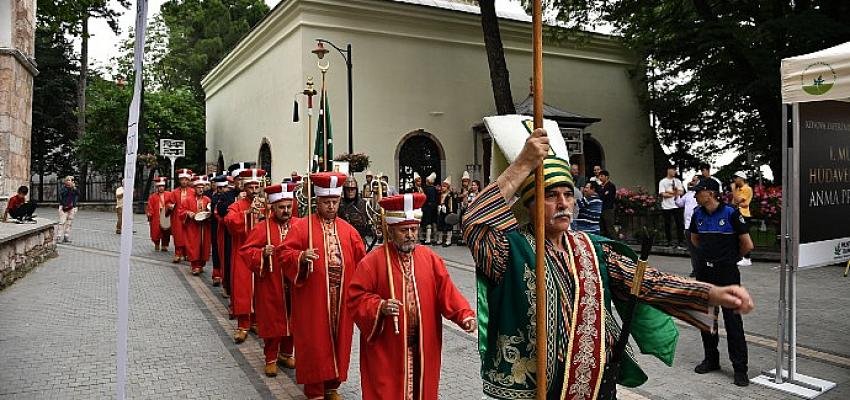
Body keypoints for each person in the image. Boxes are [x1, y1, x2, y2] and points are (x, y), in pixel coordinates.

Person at [463, 127, 754, 399]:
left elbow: (647, 282)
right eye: (550, 195)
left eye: (568, 195)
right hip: (535, 390)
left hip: (596, 387)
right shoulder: (507, 250)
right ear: (529, 205)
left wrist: (711, 293)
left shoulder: (592, 248)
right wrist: (523, 164)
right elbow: (474, 221)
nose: (564, 203)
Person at [347, 192, 476, 399]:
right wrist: (379, 306)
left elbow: (446, 290)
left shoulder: (430, 258)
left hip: (424, 343)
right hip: (389, 344)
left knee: (422, 389)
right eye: (404, 230)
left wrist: (464, 315)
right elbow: (355, 297)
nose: (410, 235)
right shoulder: (373, 262)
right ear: (390, 230)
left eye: (414, 229)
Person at [279, 172, 367, 400]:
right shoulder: (302, 227)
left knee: (340, 340)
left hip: (341, 297)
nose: (330, 206)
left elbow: (363, 262)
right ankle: (315, 389)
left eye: (334, 202)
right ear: (317, 201)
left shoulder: (349, 230)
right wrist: (300, 257)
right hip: (313, 298)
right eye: (326, 202)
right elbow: (284, 254)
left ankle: (332, 385)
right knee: (315, 343)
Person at [689, 177, 753, 386]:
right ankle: (711, 359)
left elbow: (747, 244)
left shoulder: (730, 214)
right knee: (706, 319)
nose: (696, 195)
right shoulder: (697, 214)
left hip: (727, 275)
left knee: (733, 322)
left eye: (699, 192)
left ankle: (740, 369)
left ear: (710, 193)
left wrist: (731, 259)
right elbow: (694, 238)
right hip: (705, 274)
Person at [239, 183, 299, 377]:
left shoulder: (299, 225)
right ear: (272, 207)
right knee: (273, 321)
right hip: (271, 283)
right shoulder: (262, 227)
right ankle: (271, 357)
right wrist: (262, 253)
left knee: (293, 320)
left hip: (294, 282)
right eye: (281, 207)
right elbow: (246, 251)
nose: (286, 211)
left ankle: (286, 353)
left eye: (289, 207)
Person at [224, 168, 266, 342]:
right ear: (244, 187)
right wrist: (248, 213)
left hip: (260, 253)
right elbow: (229, 222)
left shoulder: (265, 204)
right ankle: (243, 324)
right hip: (242, 252)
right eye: (251, 187)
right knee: (243, 288)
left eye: (257, 186)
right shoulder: (236, 205)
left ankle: (256, 320)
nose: (254, 190)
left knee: (260, 288)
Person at [180, 176, 213, 276]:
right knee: (193, 246)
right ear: (195, 188)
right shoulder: (188, 200)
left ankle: (201, 265)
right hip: (193, 228)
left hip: (204, 227)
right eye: (198, 187)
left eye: (202, 187)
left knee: (204, 246)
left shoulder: (207, 199)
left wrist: (209, 214)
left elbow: (211, 211)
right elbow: (181, 211)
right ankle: (194, 266)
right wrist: (188, 213)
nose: (201, 189)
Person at [167, 169, 194, 263]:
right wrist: (169, 206)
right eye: (182, 179)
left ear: (189, 180)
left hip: (189, 217)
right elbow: (169, 203)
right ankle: (178, 253)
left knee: (189, 235)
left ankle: (187, 253)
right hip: (177, 217)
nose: (184, 181)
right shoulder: (174, 192)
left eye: (186, 179)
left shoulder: (193, 192)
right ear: (179, 180)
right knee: (178, 235)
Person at [676, 176, 701, 277]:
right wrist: (677, 195)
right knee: (693, 250)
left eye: (694, 180)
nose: (692, 182)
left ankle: (703, 269)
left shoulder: (701, 194)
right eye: (692, 180)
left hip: (699, 226)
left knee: (701, 249)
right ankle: (695, 269)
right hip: (688, 226)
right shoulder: (688, 194)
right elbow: (679, 203)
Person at [658, 166, 685, 248]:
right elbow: (663, 194)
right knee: (667, 224)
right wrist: (674, 193)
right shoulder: (663, 181)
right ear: (668, 170)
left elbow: (681, 192)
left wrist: (669, 192)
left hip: (677, 205)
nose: (674, 172)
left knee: (679, 224)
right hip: (666, 206)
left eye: (675, 170)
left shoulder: (678, 181)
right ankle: (668, 241)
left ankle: (681, 241)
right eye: (673, 170)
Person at [731, 171, 753, 267]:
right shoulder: (738, 189)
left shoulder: (746, 189)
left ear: (741, 178)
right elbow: (733, 203)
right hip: (738, 213)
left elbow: (737, 201)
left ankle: (747, 258)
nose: (734, 180)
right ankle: (740, 256)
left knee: (744, 236)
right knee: (736, 236)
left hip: (744, 215)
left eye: (736, 178)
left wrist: (733, 190)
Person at [145, 177, 171, 251]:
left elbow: (172, 202)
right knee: (156, 231)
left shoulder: (169, 194)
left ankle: (164, 245)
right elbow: (150, 206)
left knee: (166, 231)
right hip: (156, 215)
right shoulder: (152, 196)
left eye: (162, 186)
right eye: (159, 186)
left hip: (166, 215)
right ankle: (157, 243)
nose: (161, 188)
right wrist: (150, 213)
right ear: (157, 187)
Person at [57, 176, 80, 243]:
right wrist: (69, 188)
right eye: (69, 180)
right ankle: (59, 236)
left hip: (72, 207)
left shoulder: (74, 188)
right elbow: (62, 195)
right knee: (62, 222)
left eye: (72, 180)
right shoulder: (63, 188)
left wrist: (74, 188)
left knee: (69, 222)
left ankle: (66, 236)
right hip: (64, 207)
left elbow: (78, 194)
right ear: (66, 181)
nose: (71, 182)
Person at [436, 176, 456, 247]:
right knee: (440, 225)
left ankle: (448, 241)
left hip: (447, 211)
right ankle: (440, 240)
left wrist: (451, 211)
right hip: (441, 211)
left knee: (448, 226)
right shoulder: (440, 194)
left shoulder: (450, 195)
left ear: (447, 187)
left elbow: (451, 204)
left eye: (444, 186)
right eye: (442, 186)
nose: (443, 188)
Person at [598, 169, 617, 239]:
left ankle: (615, 242)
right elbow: (600, 195)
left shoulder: (611, 186)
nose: (600, 178)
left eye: (602, 176)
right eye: (599, 176)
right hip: (601, 208)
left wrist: (604, 194)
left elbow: (608, 196)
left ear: (606, 177)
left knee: (609, 227)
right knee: (602, 228)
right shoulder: (600, 186)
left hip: (608, 209)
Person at [421, 172, 438, 244]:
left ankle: (428, 239)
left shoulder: (426, 189)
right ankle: (435, 238)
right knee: (434, 222)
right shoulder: (435, 189)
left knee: (428, 223)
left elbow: (424, 198)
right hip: (434, 207)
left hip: (427, 207)